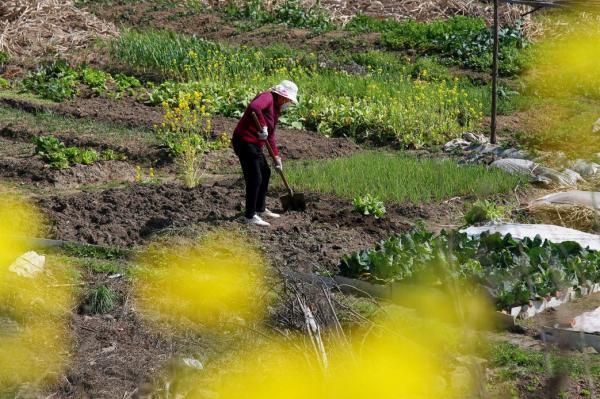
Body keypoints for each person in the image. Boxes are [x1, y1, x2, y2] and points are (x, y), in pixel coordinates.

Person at [232, 80, 299, 227]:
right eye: (288, 99)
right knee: (255, 177)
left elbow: (271, 135)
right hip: (244, 141)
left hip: (255, 144)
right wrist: (262, 125)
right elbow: (254, 107)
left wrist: (276, 157)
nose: (288, 102)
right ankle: (250, 215)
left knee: (266, 172)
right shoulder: (267, 97)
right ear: (281, 94)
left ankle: (260, 208)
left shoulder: (276, 108)